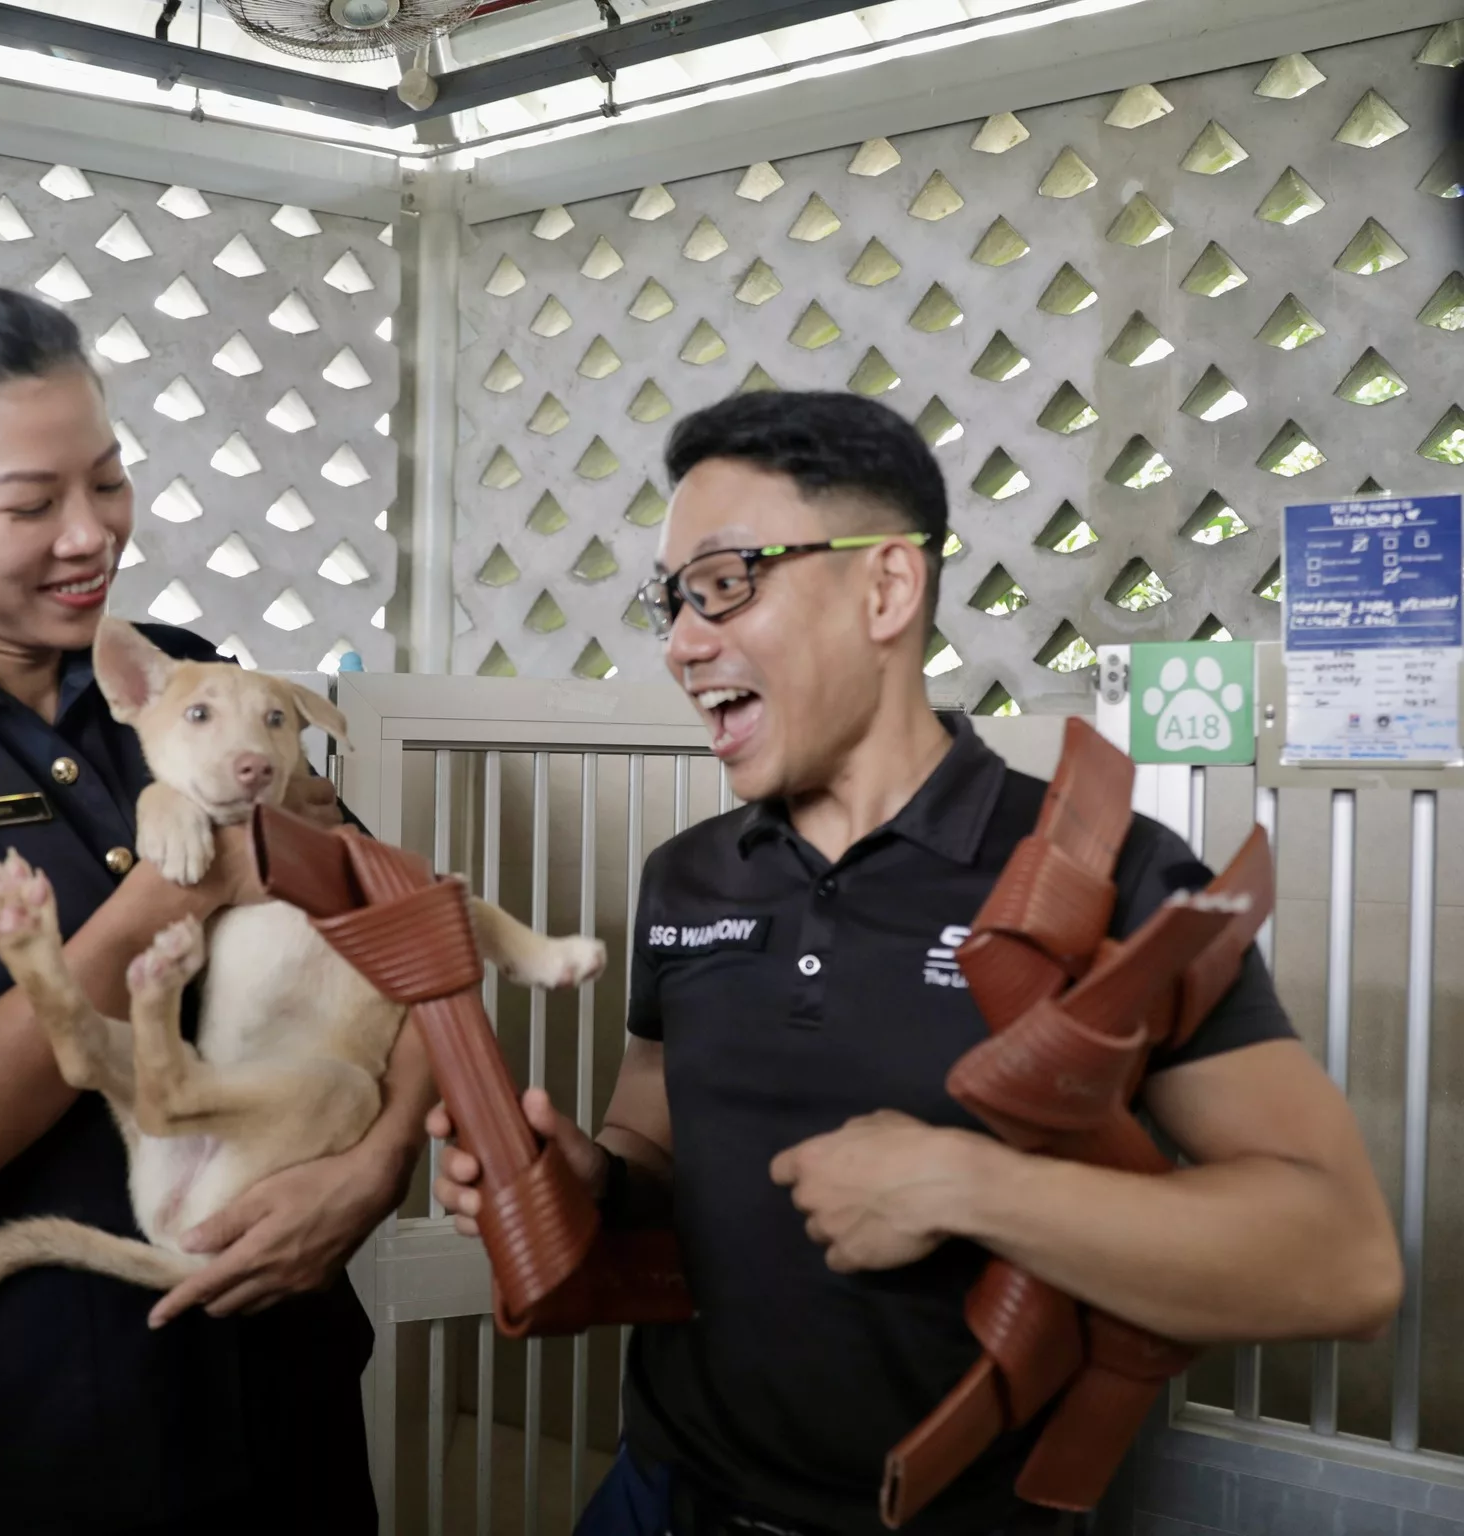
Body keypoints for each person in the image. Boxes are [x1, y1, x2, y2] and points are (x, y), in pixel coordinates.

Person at [428, 391, 1403, 1536]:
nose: (683, 640)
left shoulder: (1102, 878)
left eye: (725, 581)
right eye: (672, 599)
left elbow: (1341, 1259)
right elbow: (656, 1142)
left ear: (884, 588)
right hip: (661, 1494)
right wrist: (593, 1180)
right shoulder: (685, 877)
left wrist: (966, 1187)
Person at [0, 279, 430, 1534]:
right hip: (37, 1424)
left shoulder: (182, 682)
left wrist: (374, 1174)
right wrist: (177, 895)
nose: (90, 535)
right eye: (29, 502)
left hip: (283, 1388)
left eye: (105, 481)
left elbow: (406, 944)